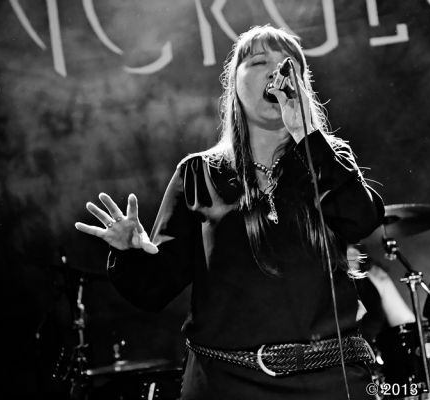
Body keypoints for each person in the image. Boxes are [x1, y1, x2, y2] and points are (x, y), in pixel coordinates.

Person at [75, 25, 384, 400]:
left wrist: (308, 138)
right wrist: (128, 252)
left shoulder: (327, 160)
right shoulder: (197, 174)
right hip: (225, 380)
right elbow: (154, 291)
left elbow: (361, 220)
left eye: (288, 64)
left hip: (330, 378)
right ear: (233, 83)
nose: (276, 71)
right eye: (259, 61)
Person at [346, 243, 415, 341]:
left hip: (379, 345)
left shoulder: (374, 273)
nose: (352, 254)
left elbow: (403, 319)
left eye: (353, 250)